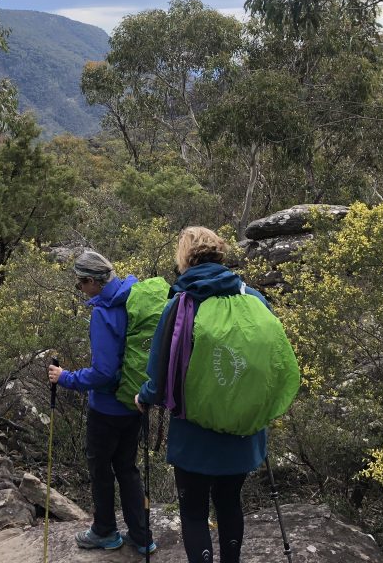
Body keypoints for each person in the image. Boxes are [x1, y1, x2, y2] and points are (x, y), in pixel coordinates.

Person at [136, 226, 269, 563]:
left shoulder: (181, 303)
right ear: (220, 253)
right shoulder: (253, 298)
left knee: (194, 513)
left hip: (194, 433)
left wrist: (144, 397)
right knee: (229, 504)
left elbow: (160, 372)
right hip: (242, 428)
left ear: (184, 259)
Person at [47, 250, 156, 554]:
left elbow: (104, 373)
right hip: (134, 402)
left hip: (107, 408)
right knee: (127, 468)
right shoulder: (133, 298)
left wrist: (66, 377)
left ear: (93, 281)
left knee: (100, 469)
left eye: (80, 284)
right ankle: (142, 536)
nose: (80, 289)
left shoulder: (105, 312)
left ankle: (105, 531)